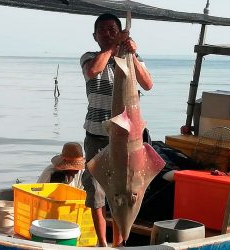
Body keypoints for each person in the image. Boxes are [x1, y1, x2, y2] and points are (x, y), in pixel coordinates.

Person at [79, 13, 153, 247]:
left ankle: (119, 243)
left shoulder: (133, 57)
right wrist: (113, 47)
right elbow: (93, 71)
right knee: (97, 192)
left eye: (112, 30)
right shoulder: (90, 57)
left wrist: (130, 52)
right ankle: (102, 243)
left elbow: (148, 84)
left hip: (129, 139)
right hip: (97, 137)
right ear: (95, 36)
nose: (108, 34)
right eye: (103, 30)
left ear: (119, 31)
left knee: (124, 190)